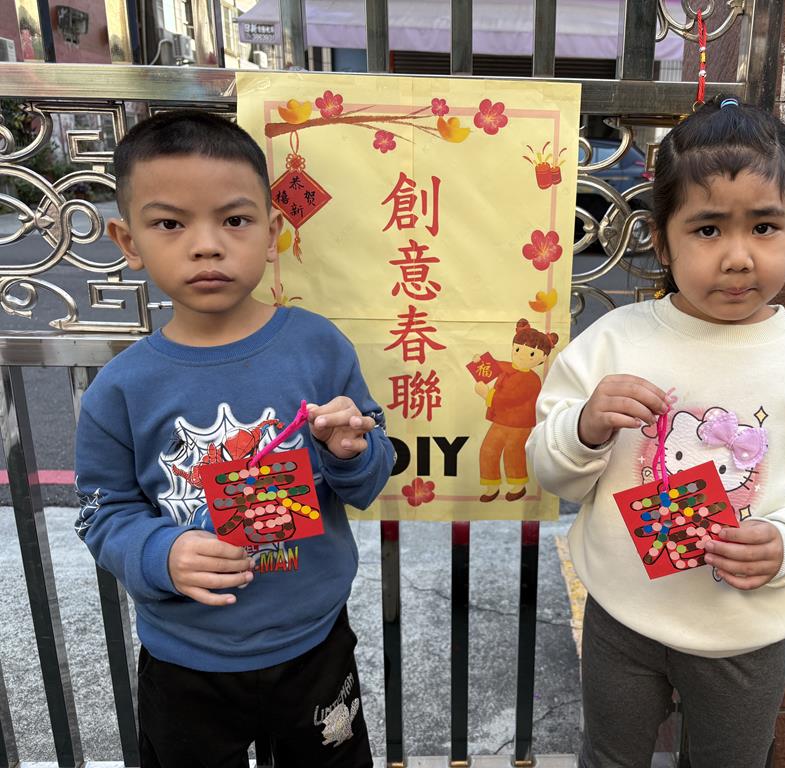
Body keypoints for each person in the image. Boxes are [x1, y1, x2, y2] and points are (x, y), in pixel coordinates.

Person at [525, 96, 785, 767]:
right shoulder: (614, 342)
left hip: (747, 631)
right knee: (609, 757)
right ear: (662, 240)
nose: (739, 257)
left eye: (765, 226)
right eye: (708, 229)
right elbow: (550, 470)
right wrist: (585, 428)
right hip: (622, 617)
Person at [74, 109, 395, 767]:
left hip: (314, 644)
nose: (207, 245)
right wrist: (160, 554)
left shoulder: (317, 347)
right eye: (170, 224)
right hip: (185, 658)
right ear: (128, 241)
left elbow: (369, 474)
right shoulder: (121, 389)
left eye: (235, 220)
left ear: (272, 233)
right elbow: (102, 512)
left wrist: (350, 452)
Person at [473, 318, 557, 502]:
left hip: (520, 425)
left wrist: (486, 394)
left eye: (531, 354)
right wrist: (479, 363)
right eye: (517, 350)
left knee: (513, 454)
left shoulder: (531, 380)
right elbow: (496, 365)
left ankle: (518, 486)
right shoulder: (511, 368)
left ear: (543, 358)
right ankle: (491, 485)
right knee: (488, 450)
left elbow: (509, 398)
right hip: (501, 421)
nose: (521, 356)